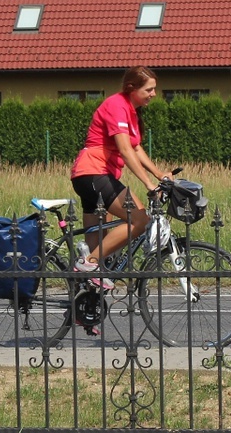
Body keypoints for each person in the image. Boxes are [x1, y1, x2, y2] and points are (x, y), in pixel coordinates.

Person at [70, 66, 172, 289]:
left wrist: (158, 174)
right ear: (132, 88)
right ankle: (89, 264)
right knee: (140, 219)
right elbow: (125, 150)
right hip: (94, 172)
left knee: (98, 243)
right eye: (149, 89)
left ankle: (85, 306)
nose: (154, 94)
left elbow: (135, 148)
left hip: (92, 175)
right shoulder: (117, 105)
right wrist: (148, 184)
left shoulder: (130, 110)